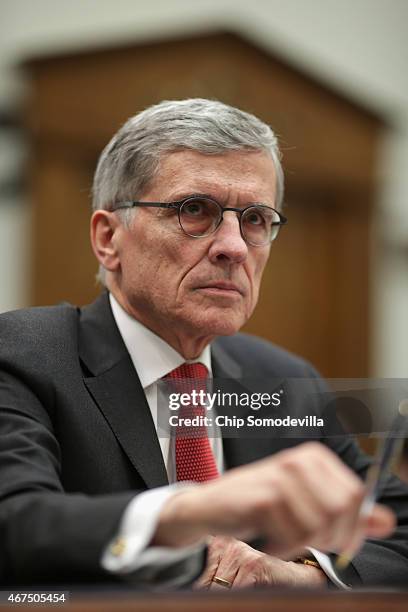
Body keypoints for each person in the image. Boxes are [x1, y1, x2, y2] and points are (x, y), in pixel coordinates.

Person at [0, 99, 407, 590]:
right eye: (194, 210)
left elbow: (394, 529)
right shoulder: (23, 354)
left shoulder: (285, 382)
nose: (234, 247)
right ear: (109, 238)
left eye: (256, 219)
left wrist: (299, 577)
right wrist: (196, 510)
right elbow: (18, 524)